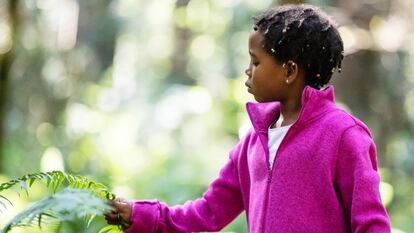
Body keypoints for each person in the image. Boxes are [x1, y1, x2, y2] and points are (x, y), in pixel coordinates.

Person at [105, 4, 391, 233]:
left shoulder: (343, 135)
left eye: (256, 61)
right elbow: (207, 212)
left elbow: (371, 224)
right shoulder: (255, 140)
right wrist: (140, 214)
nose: (247, 70)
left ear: (289, 71)